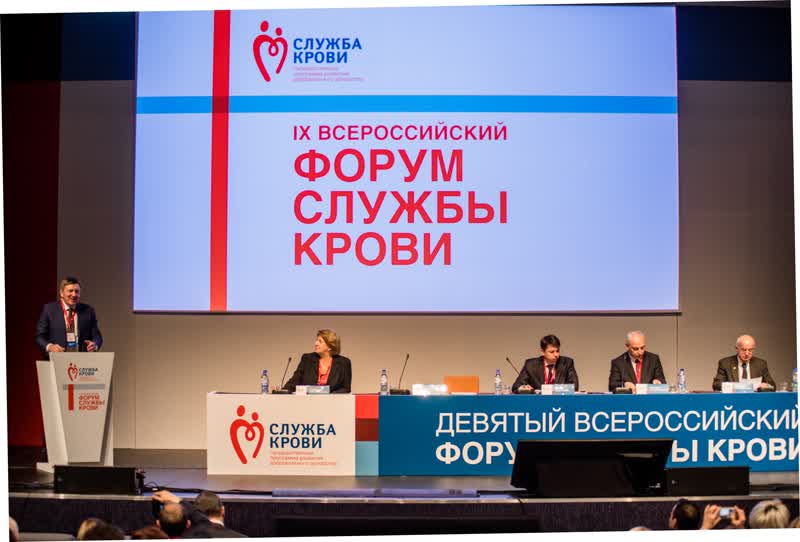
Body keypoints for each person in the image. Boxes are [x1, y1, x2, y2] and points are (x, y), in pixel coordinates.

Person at [35, 276, 103, 357]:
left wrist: (95, 344)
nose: (74, 294)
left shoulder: (88, 311)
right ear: (61, 293)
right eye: (70, 291)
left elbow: (97, 336)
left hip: (81, 359)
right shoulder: (49, 310)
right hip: (57, 358)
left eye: (77, 291)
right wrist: (50, 347)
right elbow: (40, 336)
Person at [282, 329, 352, 394]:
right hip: (308, 400)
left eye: (320, 341)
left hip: (333, 401)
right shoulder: (307, 359)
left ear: (330, 346)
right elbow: (294, 381)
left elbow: (346, 388)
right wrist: (283, 391)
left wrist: (330, 396)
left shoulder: (344, 362)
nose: (316, 343)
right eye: (316, 340)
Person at [512, 335, 579, 393]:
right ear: (542, 352)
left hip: (560, 401)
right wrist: (523, 388)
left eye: (557, 351)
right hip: (537, 401)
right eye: (552, 352)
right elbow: (516, 387)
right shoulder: (530, 365)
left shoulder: (567, 363)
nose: (556, 355)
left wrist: (547, 389)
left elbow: (574, 387)